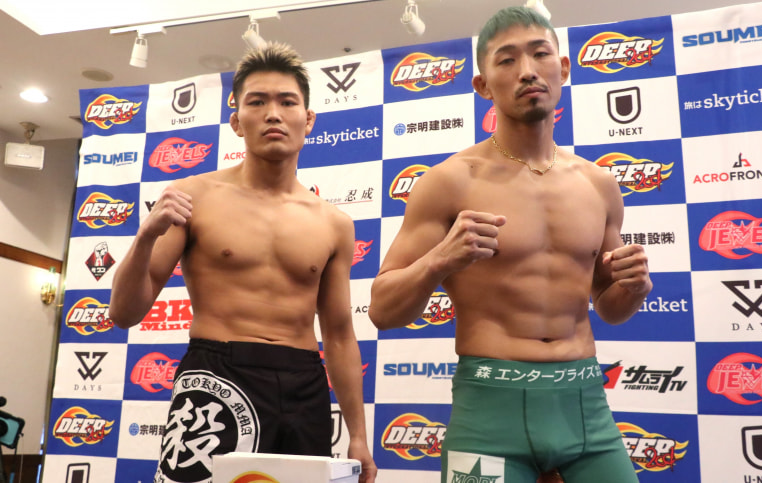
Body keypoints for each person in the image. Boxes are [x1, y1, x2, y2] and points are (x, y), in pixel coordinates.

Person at [368, 7, 651, 483]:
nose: (527, 71)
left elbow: (609, 306)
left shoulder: (599, 184)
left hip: (584, 405)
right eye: (507, 60)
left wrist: (634, 287)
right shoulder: (449, 182)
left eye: (540, 54)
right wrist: (440, 260)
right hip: (489, 412)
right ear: (483, 85)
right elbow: (382, 310)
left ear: (563, 68)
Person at [109, 42, 377, 483]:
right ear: (236, 121)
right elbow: (124, 313)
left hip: (303, 382)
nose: (273, 114)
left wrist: (359, 436)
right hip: (216, 370)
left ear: (308, 119)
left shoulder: (335, 224)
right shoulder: (193, 197)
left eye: (287, 102)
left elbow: (339, 334)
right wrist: (144, 238)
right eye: (257, 102)